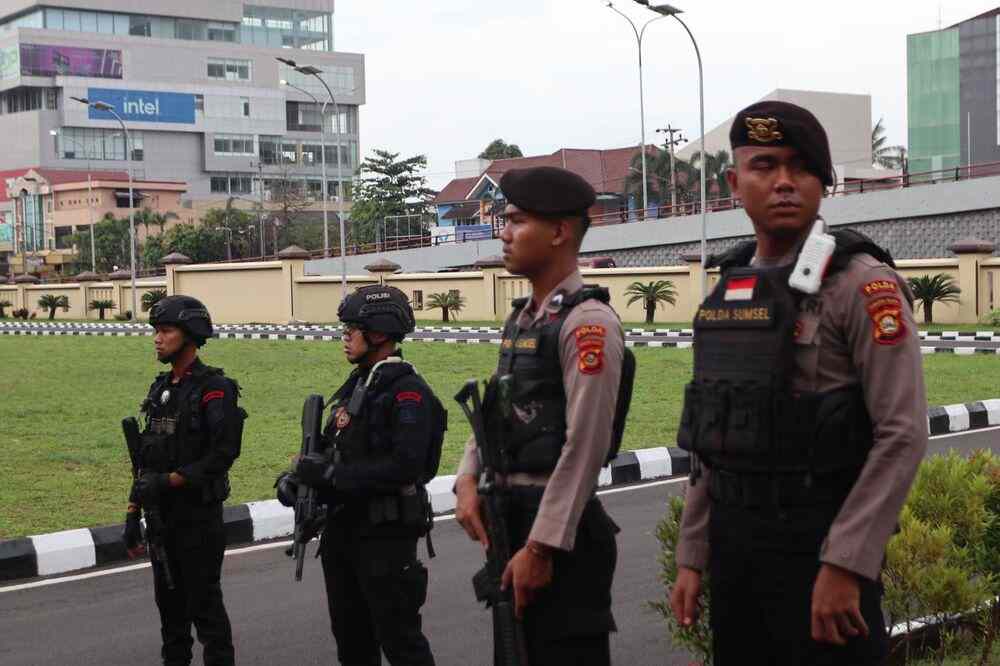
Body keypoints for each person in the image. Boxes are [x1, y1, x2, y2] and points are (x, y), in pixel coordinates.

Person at [670, 101, 928, 664]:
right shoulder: (729, 289)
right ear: (734, 182)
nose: (784, 181)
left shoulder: (861, 285)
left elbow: (902, 433)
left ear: (824, 184)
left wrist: (846, 563)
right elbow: (714, 435)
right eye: (764, 166)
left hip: (822, 547)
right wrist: (693, 553)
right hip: (736, 551)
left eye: (802, 167)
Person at [454, 166, 633, 665]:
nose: (504, 233)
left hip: (559, 534)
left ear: (559, 232)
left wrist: (542, 548)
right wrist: (467, 476)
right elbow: (496, 403)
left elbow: (585, 445)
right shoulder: (524, 320)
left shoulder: (587, 323)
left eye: (516, 221)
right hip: (512, 520)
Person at [277, 285, 444, 666]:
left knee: (401, 644)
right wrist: (297, 479)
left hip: (384, 539)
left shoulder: (407, 392)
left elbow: (408, 467)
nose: (344, 339)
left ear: (380, 333)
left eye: (350, 331)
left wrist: (332, 475)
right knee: (352, 645)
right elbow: (325, 448)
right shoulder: (357, 385)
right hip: (342, 535)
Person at [123, 295, 245, 666]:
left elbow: (223, 455)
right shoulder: (161, 389)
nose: (157, 339)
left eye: (166, 331)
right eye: (155, 332)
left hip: (198, 521)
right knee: (171, 623)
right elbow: (146, 457)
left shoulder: (215, 388)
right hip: (163, 522)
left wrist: (171, 482)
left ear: (189, 335)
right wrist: (133, 512)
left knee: (207, 617)